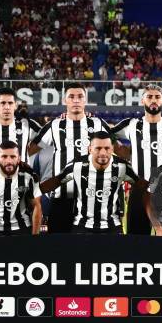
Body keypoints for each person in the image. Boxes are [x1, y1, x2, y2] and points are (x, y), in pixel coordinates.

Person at [28, 82, 111, 233]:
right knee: (58, 247)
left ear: (85, 100)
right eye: (71, 97)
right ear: (65, 100)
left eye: (80, 96)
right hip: (61, 196)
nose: (76, 100)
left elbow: (115, 148)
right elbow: (30, 149)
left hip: (91, 197)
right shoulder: (55, 125)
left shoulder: (97, 123)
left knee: (90, 248)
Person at [110, 84, 162, 235]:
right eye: (149, 97)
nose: (153, 100)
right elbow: (105, 134)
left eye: (157, 97)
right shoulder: (131, 124)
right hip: (139, 189)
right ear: (142, 101)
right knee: (137, 241)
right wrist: (122, 152)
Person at [40, 132, 148, 234]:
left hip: (112, 227)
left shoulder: (122, 166)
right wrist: (31, 190)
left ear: (112, 149)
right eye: (98, 148)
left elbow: (142, 185)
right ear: (90, 149)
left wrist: (158, 184)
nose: (103, 153)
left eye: (107, 148)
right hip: (82, 226)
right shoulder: (77, 165)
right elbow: (54, 182)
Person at [0, 141, 42, 237]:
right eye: (4, 156)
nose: (9, 161)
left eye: (13, 157)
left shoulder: (30, 176)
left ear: (19, 158)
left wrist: (35, 236)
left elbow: (37, 206)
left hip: (22, 229)